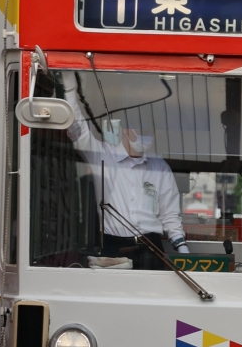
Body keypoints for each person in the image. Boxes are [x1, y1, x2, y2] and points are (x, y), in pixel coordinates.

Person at [63, 73, 190, 269]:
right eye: (140, 130)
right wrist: (70, 89)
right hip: (114, 247)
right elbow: (76, 128)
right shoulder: (101, 156)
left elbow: (170, 215)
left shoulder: (159, 166)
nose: (145, 136)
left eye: (149, 131)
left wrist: (183, 251)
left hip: (152, 247)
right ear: (125, 129)